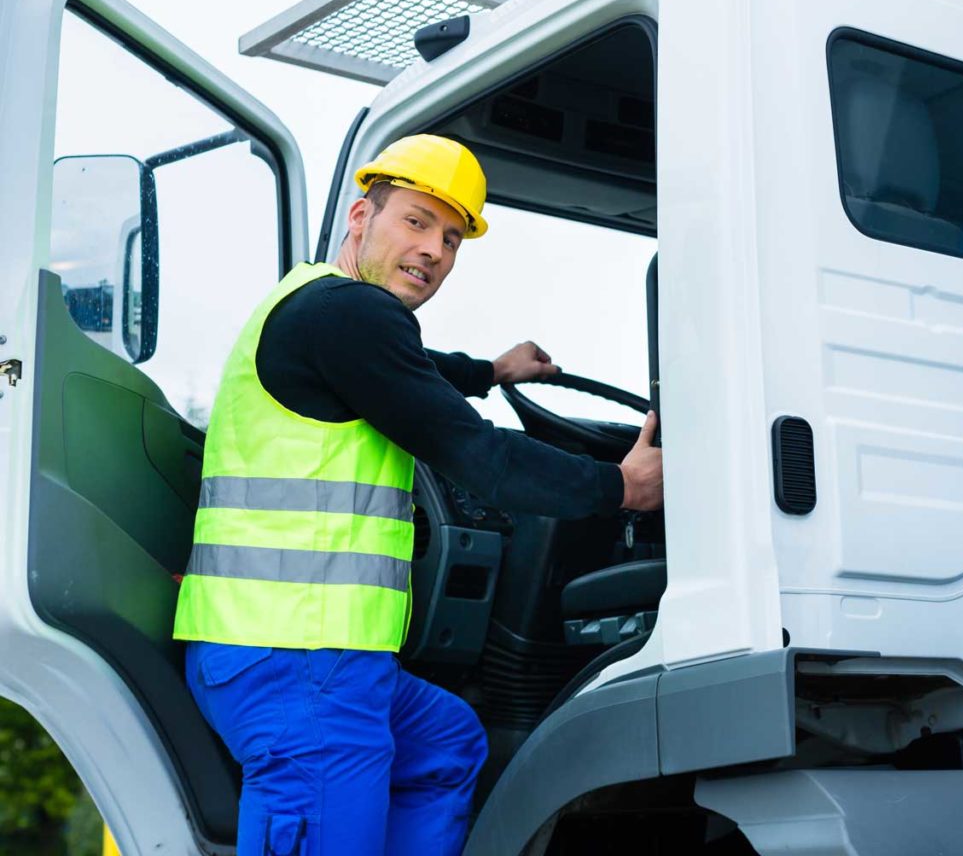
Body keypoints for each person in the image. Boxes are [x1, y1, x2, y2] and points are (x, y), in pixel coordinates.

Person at [173, 134, 663, 856]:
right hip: (298, 662)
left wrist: (491, 371)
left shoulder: (309, 304)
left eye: (453, 237)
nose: (435, 249)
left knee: (446, 743)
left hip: (279, 651)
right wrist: (620, 485)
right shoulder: (352, 316)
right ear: (360, 217)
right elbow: (481, 459)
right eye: (416, 220)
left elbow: (409, 369)